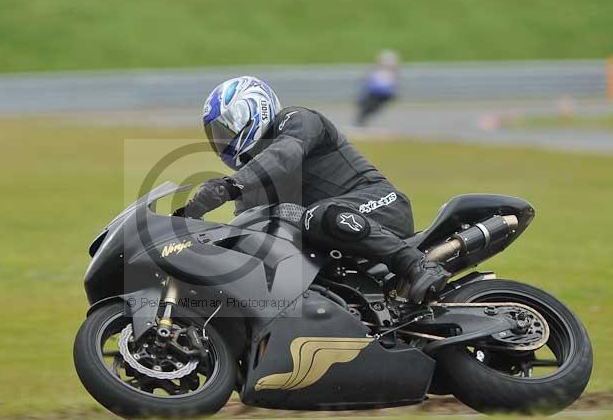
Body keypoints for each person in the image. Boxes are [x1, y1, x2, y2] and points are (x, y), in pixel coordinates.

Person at [176, 76, 449, 304]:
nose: (222, 141)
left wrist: (230, 186)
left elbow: (285, 155)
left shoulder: (297, 120)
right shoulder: (253, 181)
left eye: (224, 130)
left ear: (252, 108)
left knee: (316, 214)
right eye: (216, 135)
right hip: (335, 237)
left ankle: (418, 264)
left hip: (381, 205)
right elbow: (246, 232)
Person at [355, 50, 400, 126]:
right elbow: (369, 82)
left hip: (381, 95)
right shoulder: (377, 72)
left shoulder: (391, 74)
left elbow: (392, 87)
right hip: (374, 94)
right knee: (365, 105)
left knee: (369, 106)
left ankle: (361, 121)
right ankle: (360, 122)